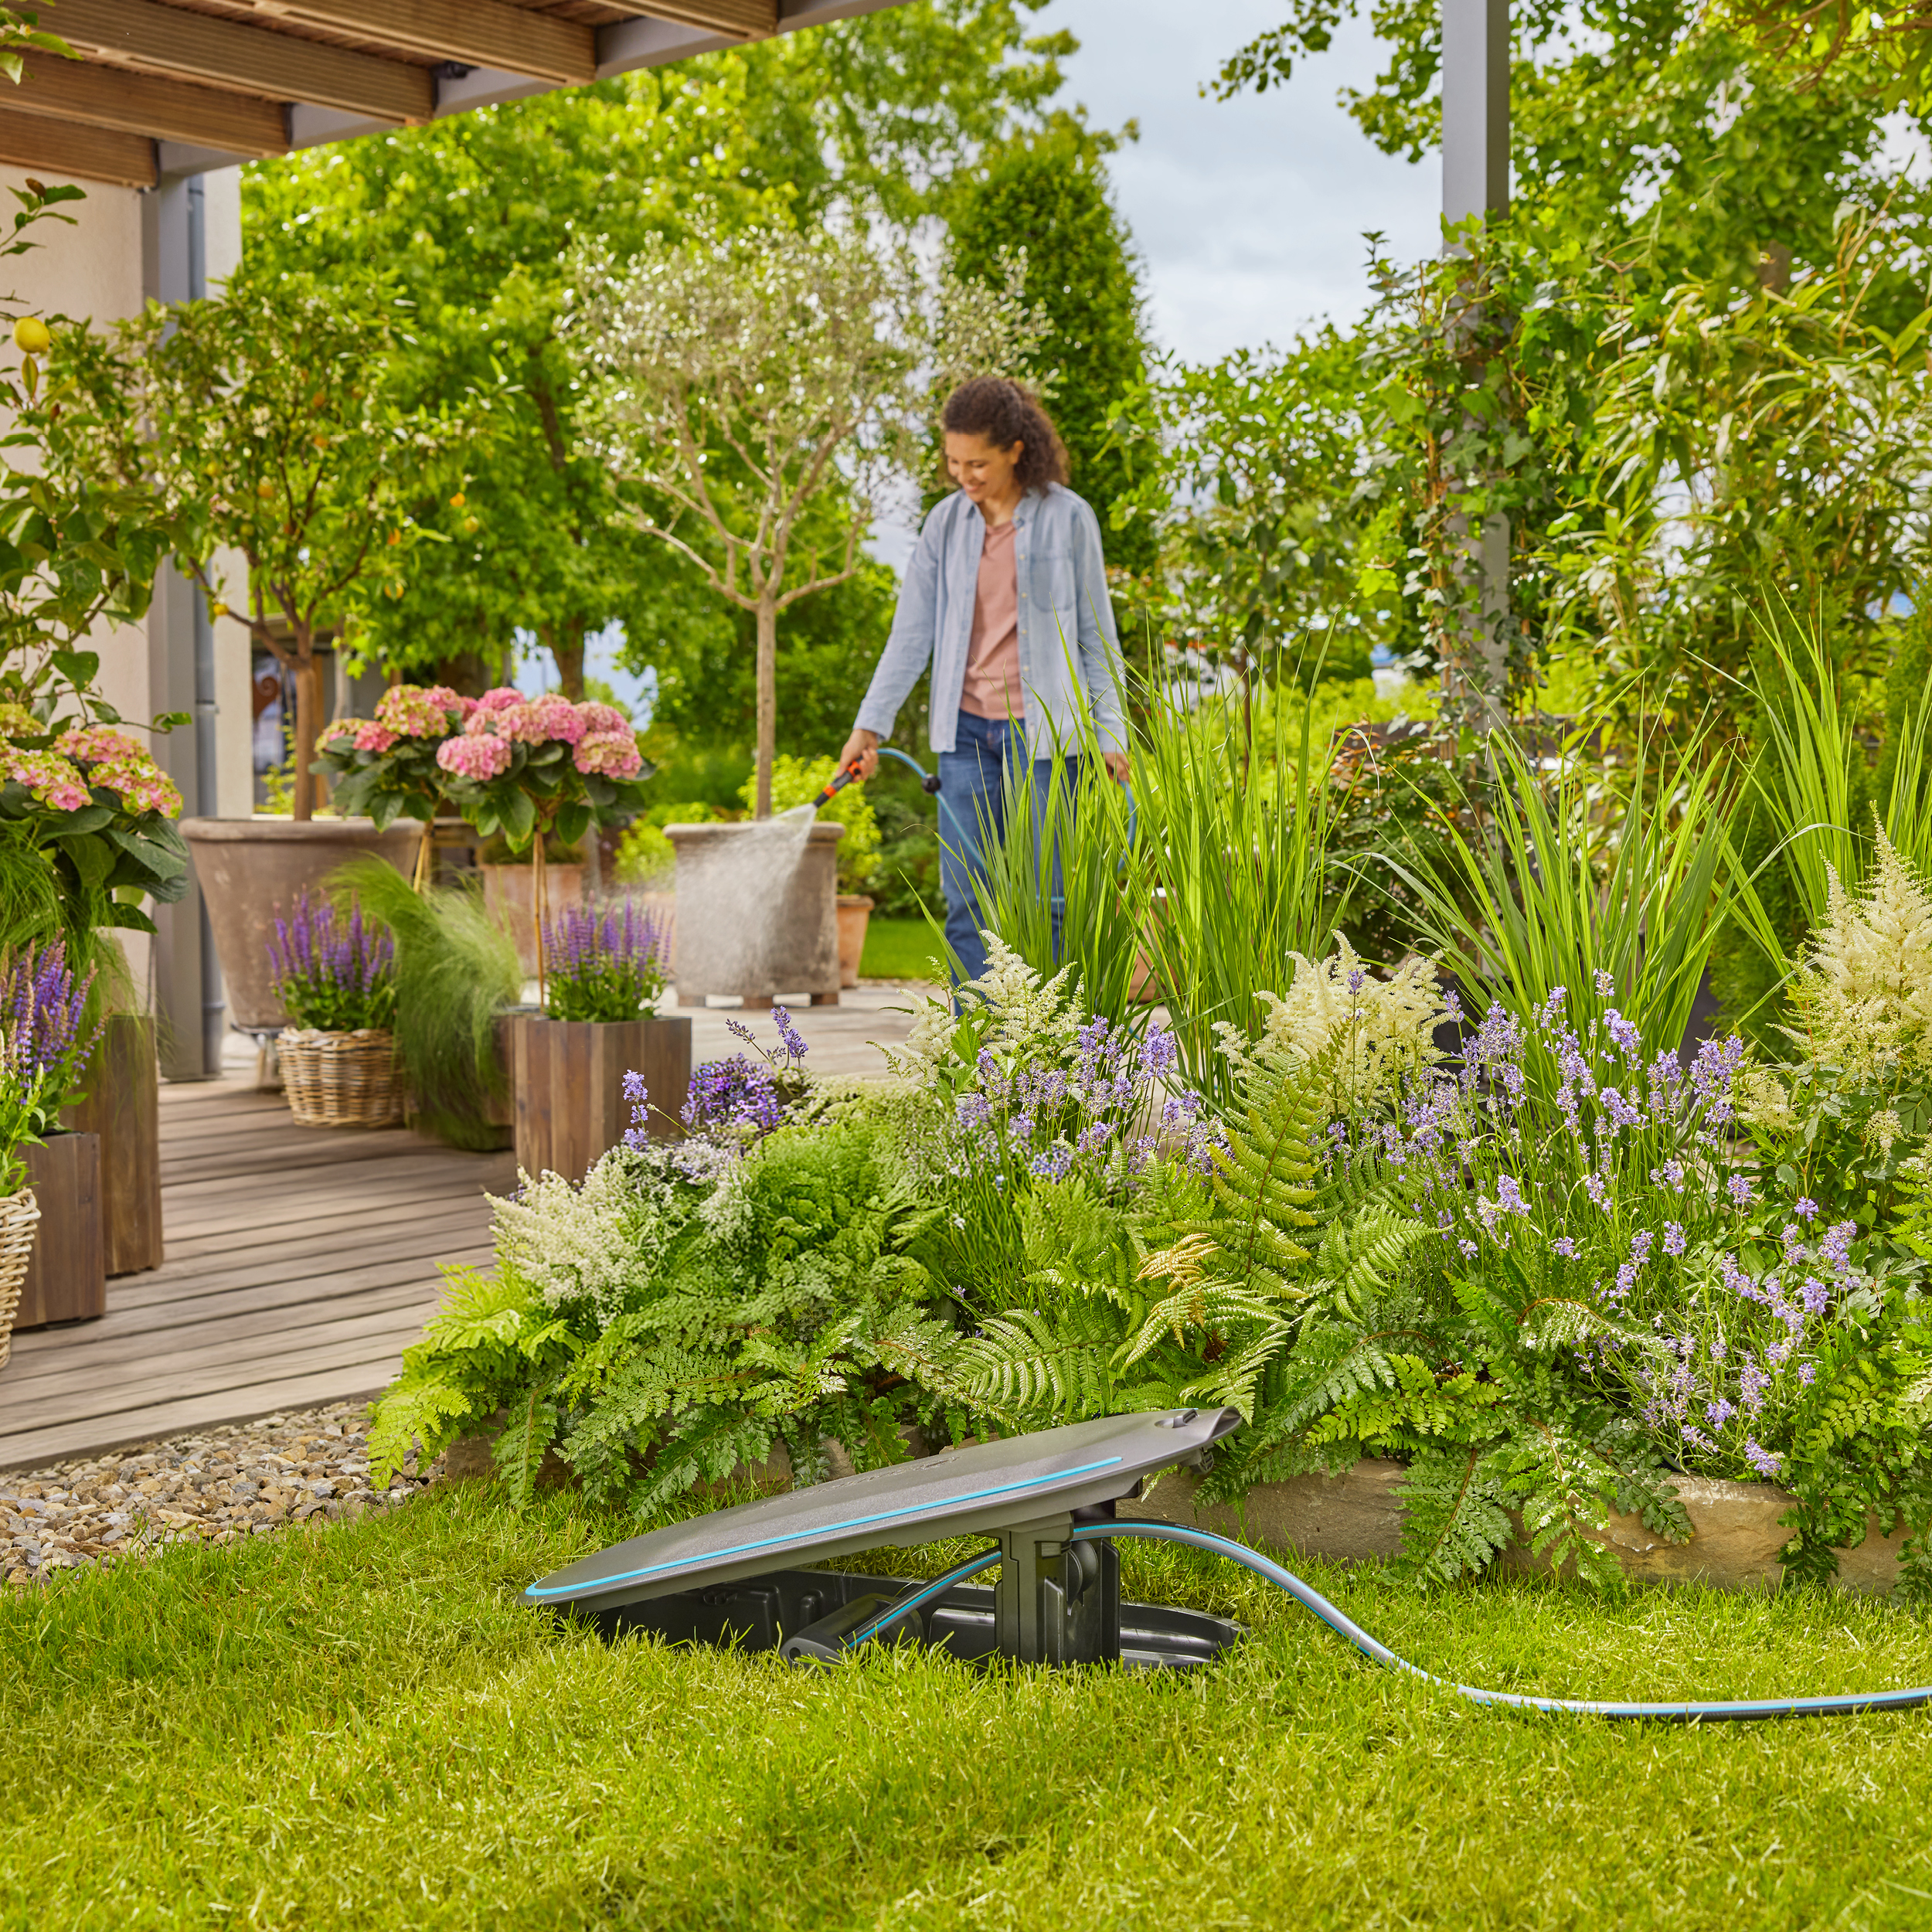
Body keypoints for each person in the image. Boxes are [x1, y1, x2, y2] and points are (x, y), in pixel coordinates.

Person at [838, 376, 1129, 988]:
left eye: (977, 463)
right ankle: (978, 1042)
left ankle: (1047, 1038)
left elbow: (1095, 634)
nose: (963, 476)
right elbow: (910, 634)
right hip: (965, 736)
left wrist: (1111, 733)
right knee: (966, 900)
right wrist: (870, 727)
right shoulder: (944, 525)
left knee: (1050, 900)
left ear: (1016, 450)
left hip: (1045, 739)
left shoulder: (1069, 518)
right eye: (953, 462)